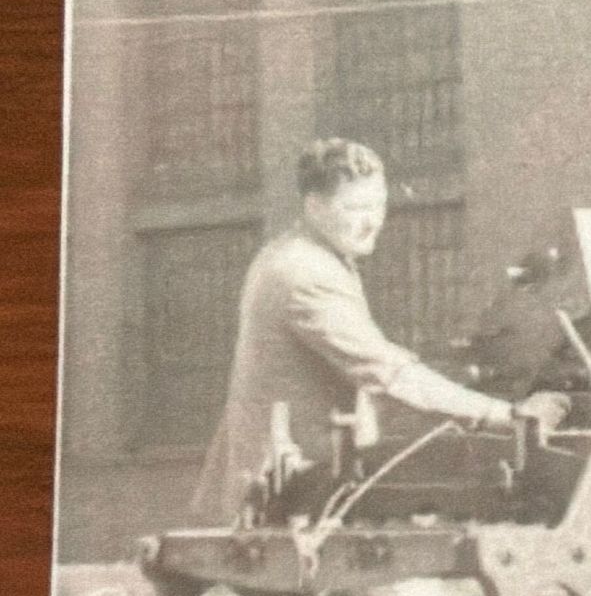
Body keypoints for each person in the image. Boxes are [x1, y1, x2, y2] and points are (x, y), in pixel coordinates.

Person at [191, 137, 566, 523]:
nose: (373, 221)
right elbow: (385, 372)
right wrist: (504, 414)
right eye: (355, 207)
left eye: (379, 205)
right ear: (314, 207)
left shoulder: (304, 254)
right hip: (286, 494)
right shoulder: (302, 273)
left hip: (306, 478)